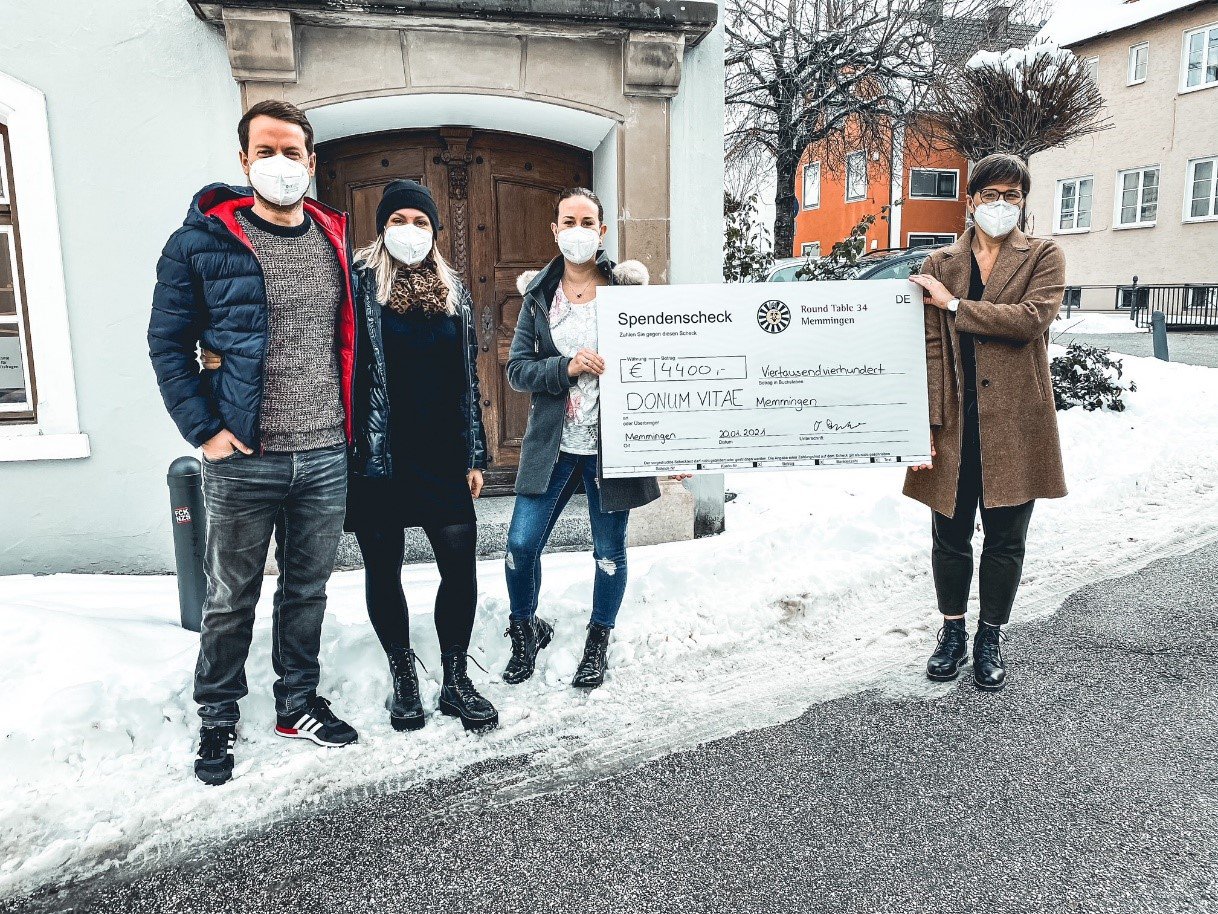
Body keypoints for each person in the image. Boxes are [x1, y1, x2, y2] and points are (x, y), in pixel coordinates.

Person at [148, 100, 358, 786]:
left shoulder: (332, 238)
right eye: (265, 150)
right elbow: (168, 343)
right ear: (243, 160)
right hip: (246, 460)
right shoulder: (201, 242)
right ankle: (217, 715)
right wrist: (204, 430)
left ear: (311, 160)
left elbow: (348, 341)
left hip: (325, 453)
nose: (280, 162)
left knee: (307, 592)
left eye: (292, 150)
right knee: (231, 596)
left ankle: (297, 703)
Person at [906, 152, 1068, 692]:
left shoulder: (1043, 255)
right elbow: (929, 348)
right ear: (971, 199)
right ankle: (952, 632)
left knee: (1005, 539)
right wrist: (925, 423)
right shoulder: (939, 264)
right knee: (948, 537)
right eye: (991, 195)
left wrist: (955, 307)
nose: (1001, 205)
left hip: (1016, 421)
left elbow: (1030, 321)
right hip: (955, 420)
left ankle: (989, 636)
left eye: (1012, 196)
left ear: (1023, 202)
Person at [501, 187, 672, 690]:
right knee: (520, 545)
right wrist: (566, 366)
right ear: (555, 230)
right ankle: (525, 628)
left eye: (587, 222)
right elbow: (516, 371)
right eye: (568, 221)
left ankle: (598, 639)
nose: (577, 230)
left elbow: (665, 364)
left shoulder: (626, 294)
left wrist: (671, 444)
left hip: (611, 448)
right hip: (552, 448)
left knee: (608, 551)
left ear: (601, 231)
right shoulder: (537, 297)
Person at [345, 181, 498, 733]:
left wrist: (475, 453)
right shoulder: (357, 284)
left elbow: (467, 383)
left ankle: (455, 678)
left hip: (442, 453)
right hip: (380, 454)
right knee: (383, 570)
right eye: (399, 218)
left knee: (458, 567)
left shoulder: (453, 289)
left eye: (421, 221)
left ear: (434, 231)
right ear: (382, 226)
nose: (410, 229)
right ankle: (403, 676)